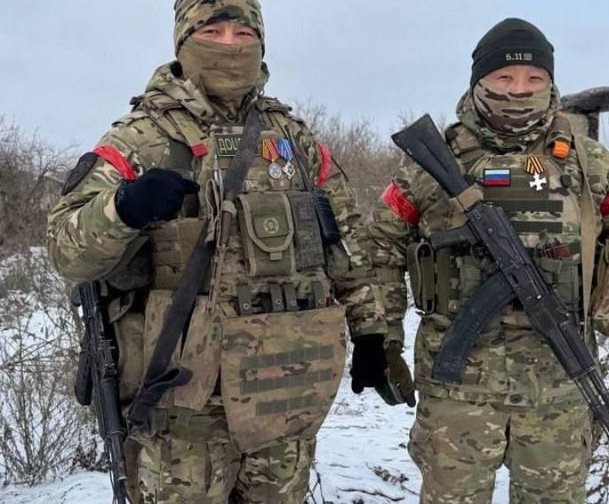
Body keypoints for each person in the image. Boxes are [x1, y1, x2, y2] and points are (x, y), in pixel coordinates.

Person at [47, 1, 392, 502]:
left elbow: (345, 242)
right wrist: (122, 208)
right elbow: (66, 250)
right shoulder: (141, 138)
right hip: (181, 404)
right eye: (213, 31)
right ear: (184, 41)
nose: (230, 45)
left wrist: (370, 331)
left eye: (243, 33)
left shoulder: (292, 139)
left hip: (283, 390)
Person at [357, 17, 609, 503]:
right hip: (457, 388)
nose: (519, 90)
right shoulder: (432, 160)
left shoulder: (586, 160)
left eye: (533, 79)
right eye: (504, 78)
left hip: (559, 386)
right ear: (478, 81)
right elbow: (378, 247)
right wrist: (381, 340)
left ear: (550, 82)